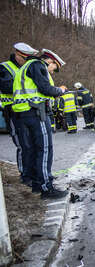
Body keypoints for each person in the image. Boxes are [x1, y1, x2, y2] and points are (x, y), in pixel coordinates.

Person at [12, 48, 68, 199]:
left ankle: (37, 183)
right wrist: (60, 90)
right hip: (36, 113)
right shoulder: (37, 65)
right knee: (44, 150)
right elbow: (45, 89)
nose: (52, 72)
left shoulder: (24, 67)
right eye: (54, 68)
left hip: (23, 114)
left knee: (33, 150)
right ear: (50, 61)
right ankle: (46, 188)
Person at [0, 42, 38, 186]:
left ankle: (32, 173)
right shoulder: (4, 67)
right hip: (12, 111)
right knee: (23, 145)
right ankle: (25, 175)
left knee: (32, 144)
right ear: (17, 55)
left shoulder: (26, 68)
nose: (27, 61)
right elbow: (7, 87)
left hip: (26, 111)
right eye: (25, 58)